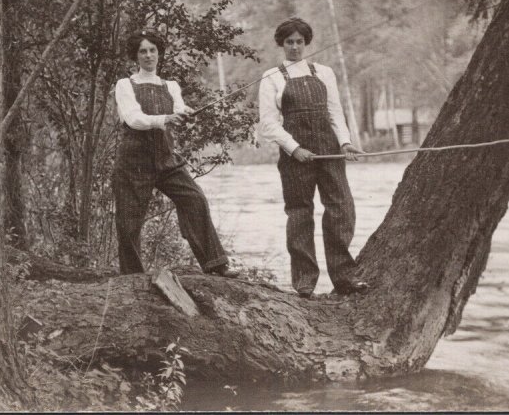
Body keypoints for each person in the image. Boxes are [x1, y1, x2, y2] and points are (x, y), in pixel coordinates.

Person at [113, 29, 238, 278]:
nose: (148, 55)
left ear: (159, 53)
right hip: (134, 160)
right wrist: (165, 118)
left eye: (152, 50)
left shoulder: (170, 85)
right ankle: (132, 275)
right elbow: (133, 118)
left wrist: (183, 113)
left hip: (166, 157)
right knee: (129, 219)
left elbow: (179, 109)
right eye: (143, 51)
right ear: (135, 56)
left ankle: (215, 263)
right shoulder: (125, 84)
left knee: (195, 199)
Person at [258, 17, 368, 298]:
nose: (295, 47)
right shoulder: (271, 77)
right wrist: (295, 149)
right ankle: (305, 282)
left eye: (299, 42)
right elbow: (268, 124)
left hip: (329, 150)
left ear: (306, 43)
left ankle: (344, 277)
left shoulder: (324, 72)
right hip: (295, 155)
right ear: (281, 44)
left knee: (341, 209)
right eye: (289, 42)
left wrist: (345, 142)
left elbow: (335, 112)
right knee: (299, 214)